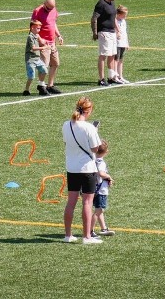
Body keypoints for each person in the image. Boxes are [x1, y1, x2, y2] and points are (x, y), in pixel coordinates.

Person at [62, 96, 102, 244]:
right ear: (88, 110)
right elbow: (95, 149)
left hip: (71, 168)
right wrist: (95, 132)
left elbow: (67, 142)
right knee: (87, 202)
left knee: (70, 202)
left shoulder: (66, 124)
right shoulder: (89, 127)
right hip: (86, 168)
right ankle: (87, 236)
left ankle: (68, 235)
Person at [31, 0, 64, 94]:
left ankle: (50, 85)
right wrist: (40, 40)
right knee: (44, 66)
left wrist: (58, 35)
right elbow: (33, 29)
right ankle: (41, 85)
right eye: (48, 8)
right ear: (44, 3)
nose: (50, 10)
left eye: (51, 8)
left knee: (55, 63)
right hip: (43, 44)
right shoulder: (37, 11)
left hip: (52, 42)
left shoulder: (53, 10)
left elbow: (53, 23)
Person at [91, 0, 120, 86]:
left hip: (112, 32)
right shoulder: (101, 4)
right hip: (104, 32)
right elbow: (94, 18)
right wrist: (95, 32)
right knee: (103, 55)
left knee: (112, 55)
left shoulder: (112, 2)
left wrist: (117, 30)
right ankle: (101, 79)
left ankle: (111, 77)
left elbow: (114, 17)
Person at [89, 139, 116, 238]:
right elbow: (101, 173)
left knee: (98, 210)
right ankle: (90, 231)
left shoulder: (92, 159)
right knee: (99, 210)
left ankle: (103, 228)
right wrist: (108, 177)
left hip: (93, 188)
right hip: (101, 190)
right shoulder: (101, 162)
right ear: (106, 152)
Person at [23, 20, 50, 96]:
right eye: (37, 28)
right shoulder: (30, 37)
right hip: (31, 60)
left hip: (37, 59)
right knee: (31, 77)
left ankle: (40, 84)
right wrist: (43, 48)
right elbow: (33, 48)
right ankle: (26, 89)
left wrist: (46, 43)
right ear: (32, 28)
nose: (39, 30)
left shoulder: (37, 35)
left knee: (44, 70)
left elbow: (42, 42)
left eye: (39, 28)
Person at [115, 5, 130, 83]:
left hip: (123, 43)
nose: (125, 17)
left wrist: (127, 43)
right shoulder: (115, 21)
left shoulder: (123, 21)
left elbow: (125, 32)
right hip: (117, 43)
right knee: (116, 60)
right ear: (119, 14)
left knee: (121, 60)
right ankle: (115, 76)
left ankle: (120, 76)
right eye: (124, 15)